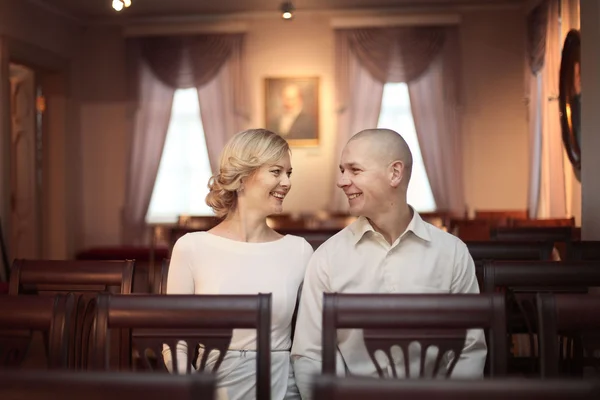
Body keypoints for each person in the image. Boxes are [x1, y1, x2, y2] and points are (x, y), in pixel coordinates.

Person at [291, 128, 486, 399]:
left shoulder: (452, 253)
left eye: (354, 170)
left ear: (395, 173)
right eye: (342, 170)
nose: (342, 181)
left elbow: (470, 349)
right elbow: (310, 354)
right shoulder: (327, 258)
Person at [164, 128, 314, 400]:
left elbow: (310, 345)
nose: (287, 182)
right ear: (243, 178)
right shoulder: (191, 247)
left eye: (289, 173)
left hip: (282, 388)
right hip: (213, 388)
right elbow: (176, 342)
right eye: (276, 171)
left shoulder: (299, 251)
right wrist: (193, 390)